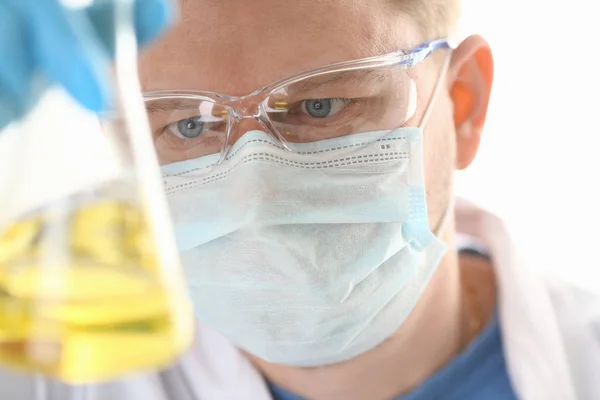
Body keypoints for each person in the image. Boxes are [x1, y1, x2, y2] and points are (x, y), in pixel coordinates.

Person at [0, 0, 599, 399]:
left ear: (462, 104)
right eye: (187, 126)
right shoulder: (48, 374)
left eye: (321, 106)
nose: (253, 189)